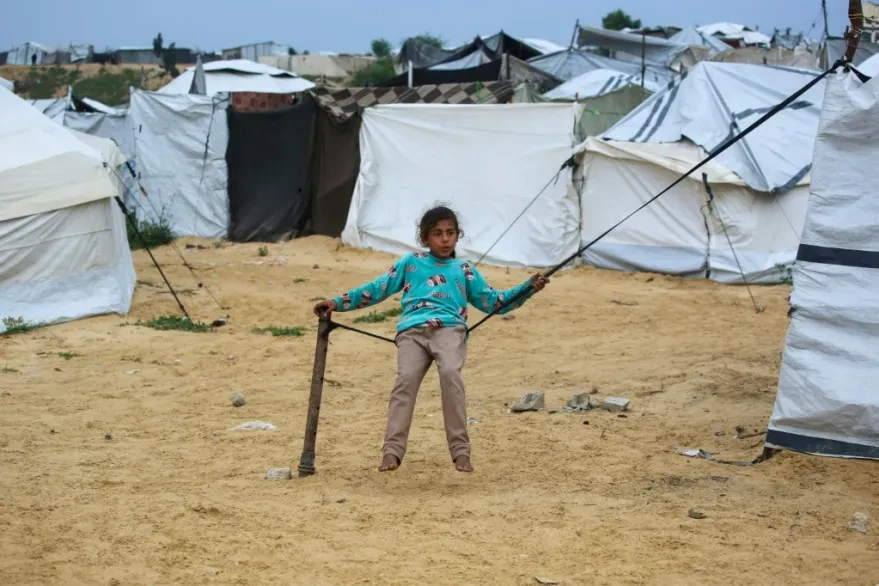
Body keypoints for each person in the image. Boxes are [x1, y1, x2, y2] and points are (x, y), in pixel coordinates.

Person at [313, 205, 549, 473]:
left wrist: (528, 288)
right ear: (425, 237)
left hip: (450, 330)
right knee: (405, 381)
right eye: (438, 233)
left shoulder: (464, 269)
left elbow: (494, 302)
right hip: (411, 332)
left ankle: (461, 452)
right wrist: (337, 302)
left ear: (457, 235)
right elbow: (377, 288)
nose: (445, 239)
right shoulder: (410, 263)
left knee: (451, 375)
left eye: (450, 233)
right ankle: (392, 451)